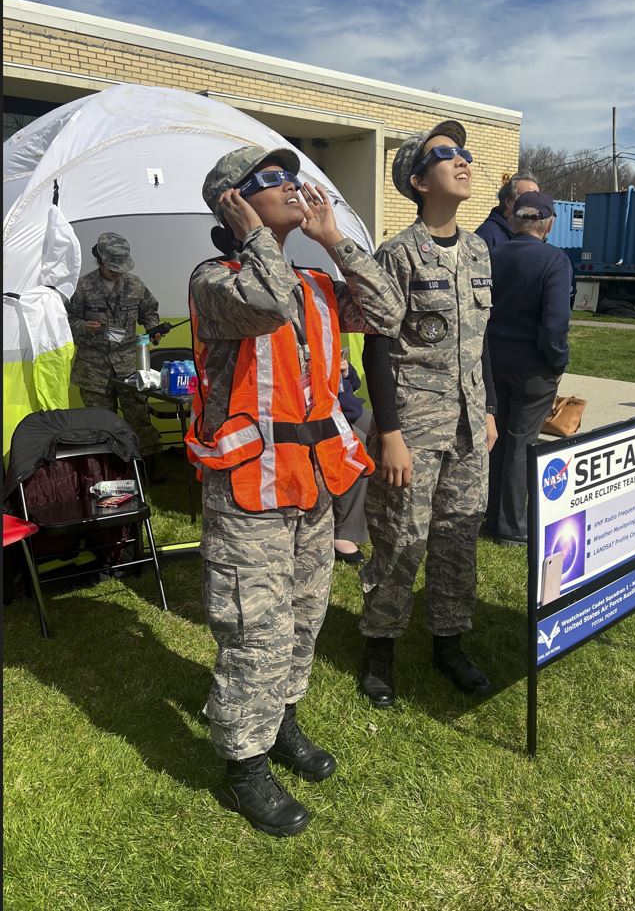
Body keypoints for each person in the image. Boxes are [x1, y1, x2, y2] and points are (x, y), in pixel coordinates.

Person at [186, 146, 403, 837]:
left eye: (291, 175)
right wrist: (254, 235)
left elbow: (388, 313)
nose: (293, 186)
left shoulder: (311, 277)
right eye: (270, 181)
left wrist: (336, 242)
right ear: (233, 202)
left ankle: (281, 722)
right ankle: (243, 763)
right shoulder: (213, 279)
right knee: (257, 627)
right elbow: (266, 299)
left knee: (305, 614)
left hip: (311, 483)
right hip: (249, 488)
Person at [358, 120, 498, 709]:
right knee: (400, 537)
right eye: (446, 156)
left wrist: (487, 406)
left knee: (457, 537)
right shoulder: (397, 254)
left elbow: (479, 338)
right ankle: (378, 649)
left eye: (464, 153)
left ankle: (448, 643)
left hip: (469, 426)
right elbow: (376, 344)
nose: (462, 160)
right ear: (418, 181)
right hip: (412, 425)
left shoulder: (479, 249)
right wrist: (388, 431)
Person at [485, 191, 572, 546]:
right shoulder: (554, 260)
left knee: (497, 441)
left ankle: (491, 514)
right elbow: (554, 324)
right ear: (548, 223)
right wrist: (558, 363)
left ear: (513, 220)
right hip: (534, 368)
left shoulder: (490, 256)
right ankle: (511, 526)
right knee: (521, 443)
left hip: (493, 363)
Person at [65, 233, 165, 482]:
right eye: (112, 269)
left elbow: (149, 311)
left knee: (139, 416)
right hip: (93, 367)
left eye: (120, 269)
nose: (117, 273)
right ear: (99, 260)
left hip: (129, 365)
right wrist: (81, 326)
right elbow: (66, 319)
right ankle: (107, 471)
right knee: (100, 422)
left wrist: (153, 329)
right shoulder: (82, 287)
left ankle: (147, 469)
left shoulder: (135, 285)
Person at [333, 351, 369, 564]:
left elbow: (352, 385)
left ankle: (379, 510)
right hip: (325, 413)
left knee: (388, 430)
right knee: (359, 447)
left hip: (349, 408)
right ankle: (344, 531)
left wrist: (346, 371)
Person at [475, 172, 540, 249]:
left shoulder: (531, 235)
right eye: (528, 197)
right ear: (509, 201)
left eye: (538, 198)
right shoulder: (486, 236)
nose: (535, 203)